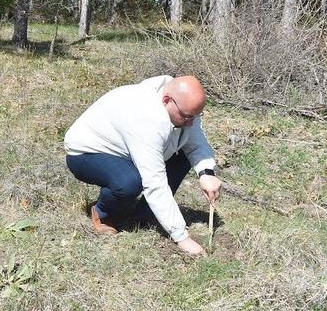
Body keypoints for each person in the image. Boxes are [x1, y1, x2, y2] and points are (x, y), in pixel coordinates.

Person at [63, 75, 223, 256]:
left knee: (183, 155)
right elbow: (154, 181)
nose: (191, 122)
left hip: (128, 149)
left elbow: (195, 142)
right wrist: (182, 237)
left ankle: (144, 216)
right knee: (129, 182)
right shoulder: (144, 117)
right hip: (87, 152)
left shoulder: (182, 105)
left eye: (195, 116)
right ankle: (104, 213)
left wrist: (206, 172)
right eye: (187, 117)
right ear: (166, 100)